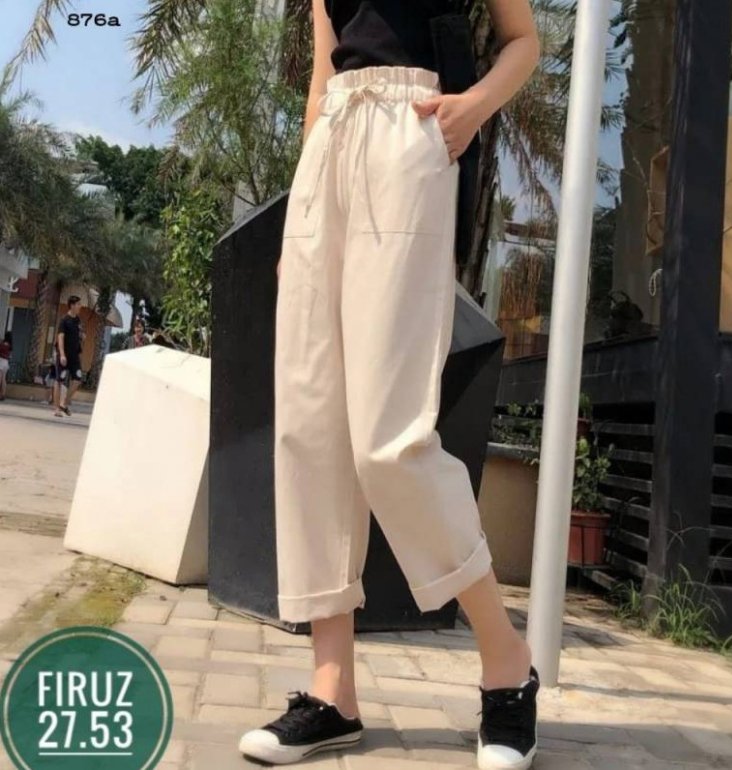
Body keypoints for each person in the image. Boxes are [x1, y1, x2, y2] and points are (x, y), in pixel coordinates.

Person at [239, 2, 541, 768]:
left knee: (388, 439)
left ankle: (506, 661)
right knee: (310, 425)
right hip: (330, 147)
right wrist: (298, 217)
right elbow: (323, 75)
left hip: (412, 133)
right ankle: (332, 691)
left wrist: (473, 108)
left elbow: (523, 41)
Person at [53, 295, 83, 418]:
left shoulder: (78, 320)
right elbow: (60, 338)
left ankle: (64, 403)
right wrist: (62, 355)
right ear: (72, 305)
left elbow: (78, 334)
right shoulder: (64, 320)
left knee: (78, 379)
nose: (80, 306)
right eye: (78, 304)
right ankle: (57, 408)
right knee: (59, 380)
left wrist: (82, 336)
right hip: (64, 355)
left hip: (75, 355)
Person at [0, 331, 11, 401]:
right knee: (4, 379)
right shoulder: (10, 345)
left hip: (1, 361)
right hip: (6, 362)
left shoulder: (2, 344)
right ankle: (3, 394)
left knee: (0, 378)